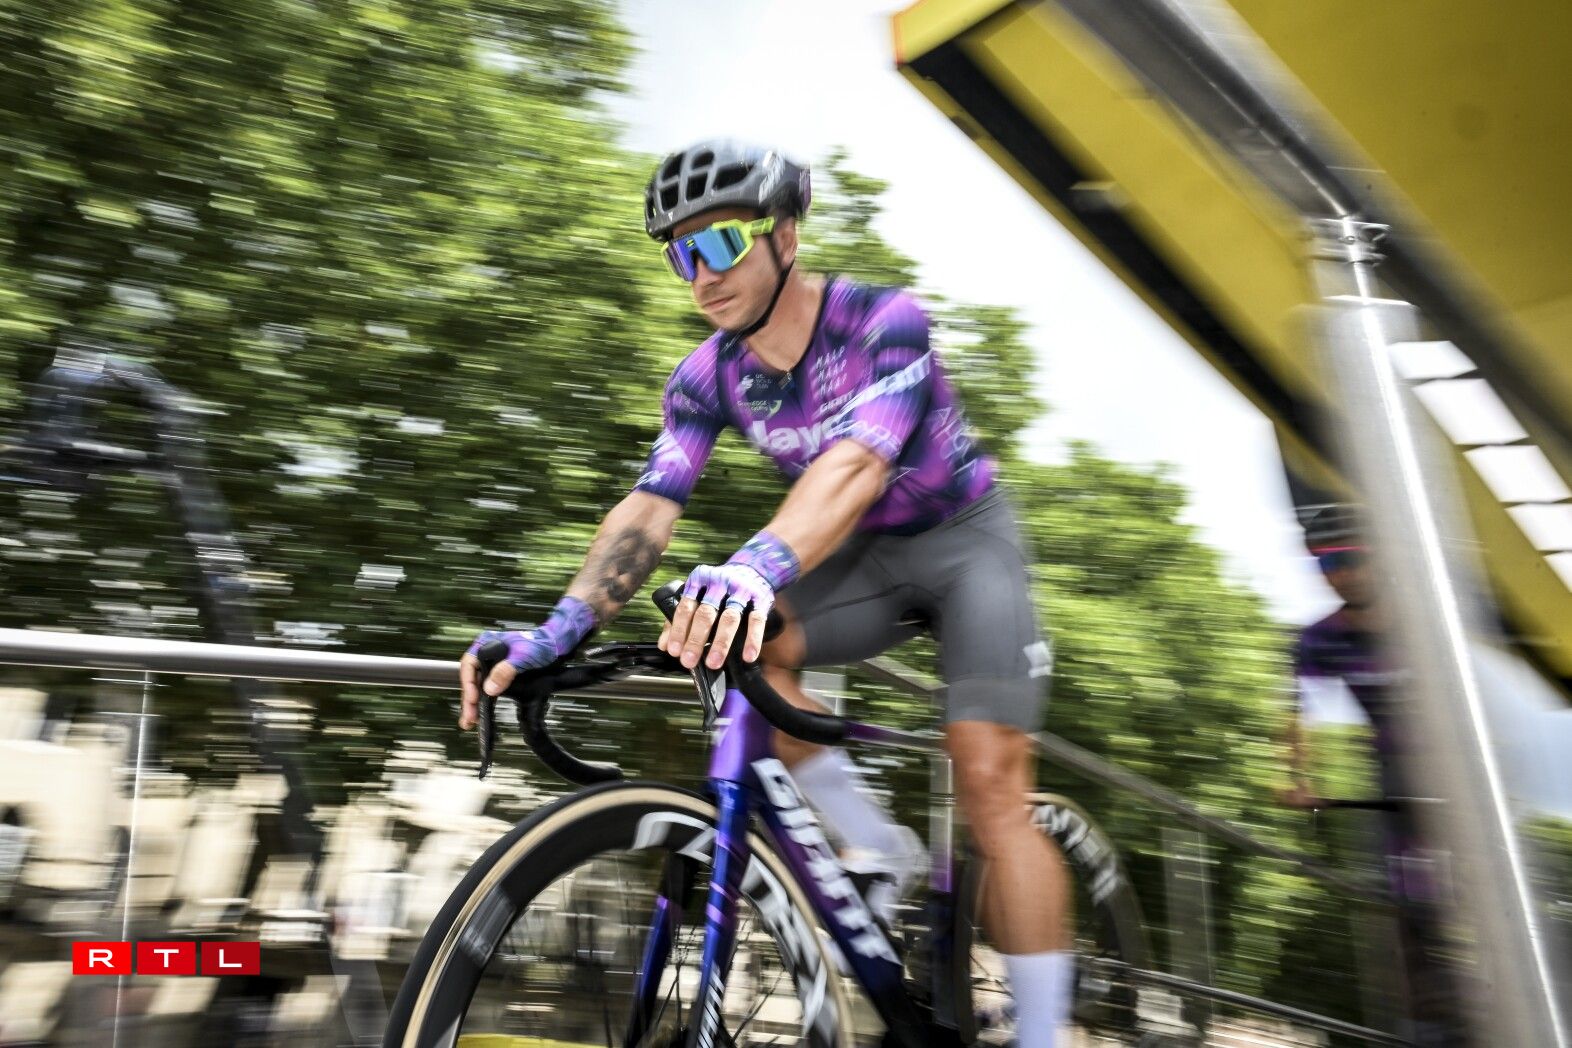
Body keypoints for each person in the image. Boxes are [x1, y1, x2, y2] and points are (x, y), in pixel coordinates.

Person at [458, 140, 1072, 1045]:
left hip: (968, 547)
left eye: (720, 243)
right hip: (863, 561)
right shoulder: (705, 377)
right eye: (681, 253)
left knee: (988, 783)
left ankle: (1046, 1032)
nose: (701, 275)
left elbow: (859, 462)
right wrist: (556, 630)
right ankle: (879, 847)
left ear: (785, 236)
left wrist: (750, 569)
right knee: (745, 651)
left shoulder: (883, 319)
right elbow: (649, 508)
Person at [1281, 503, 1464, 1047]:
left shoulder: (1431, 617)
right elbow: (1296, 713)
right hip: (1398, 779)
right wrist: (1299, 778)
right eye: (1326, 562)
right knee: (1410, 904)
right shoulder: (1320, 639)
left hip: (1466, 768)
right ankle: (1434, 1024)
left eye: (1353, 557)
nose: (1342, 572)